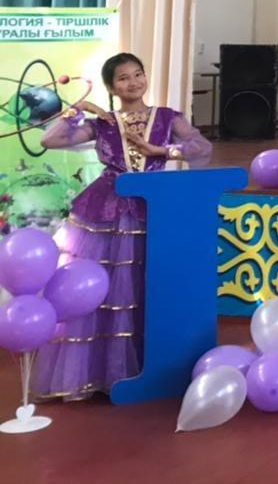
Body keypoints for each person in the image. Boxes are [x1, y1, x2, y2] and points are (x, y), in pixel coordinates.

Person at [33, 53, 212, 400]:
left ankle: (153, 367)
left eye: (138, 74)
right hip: (108, 206)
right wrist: (76, 111)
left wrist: (160, 150)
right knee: (108, 287)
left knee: (149, 284)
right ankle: (105, 372)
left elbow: (201, 148)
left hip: (154, 205)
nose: (134, 82)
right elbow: (49, 140)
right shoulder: (102, 123)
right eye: (123, 78)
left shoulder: (167, 117)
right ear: (112, 87)